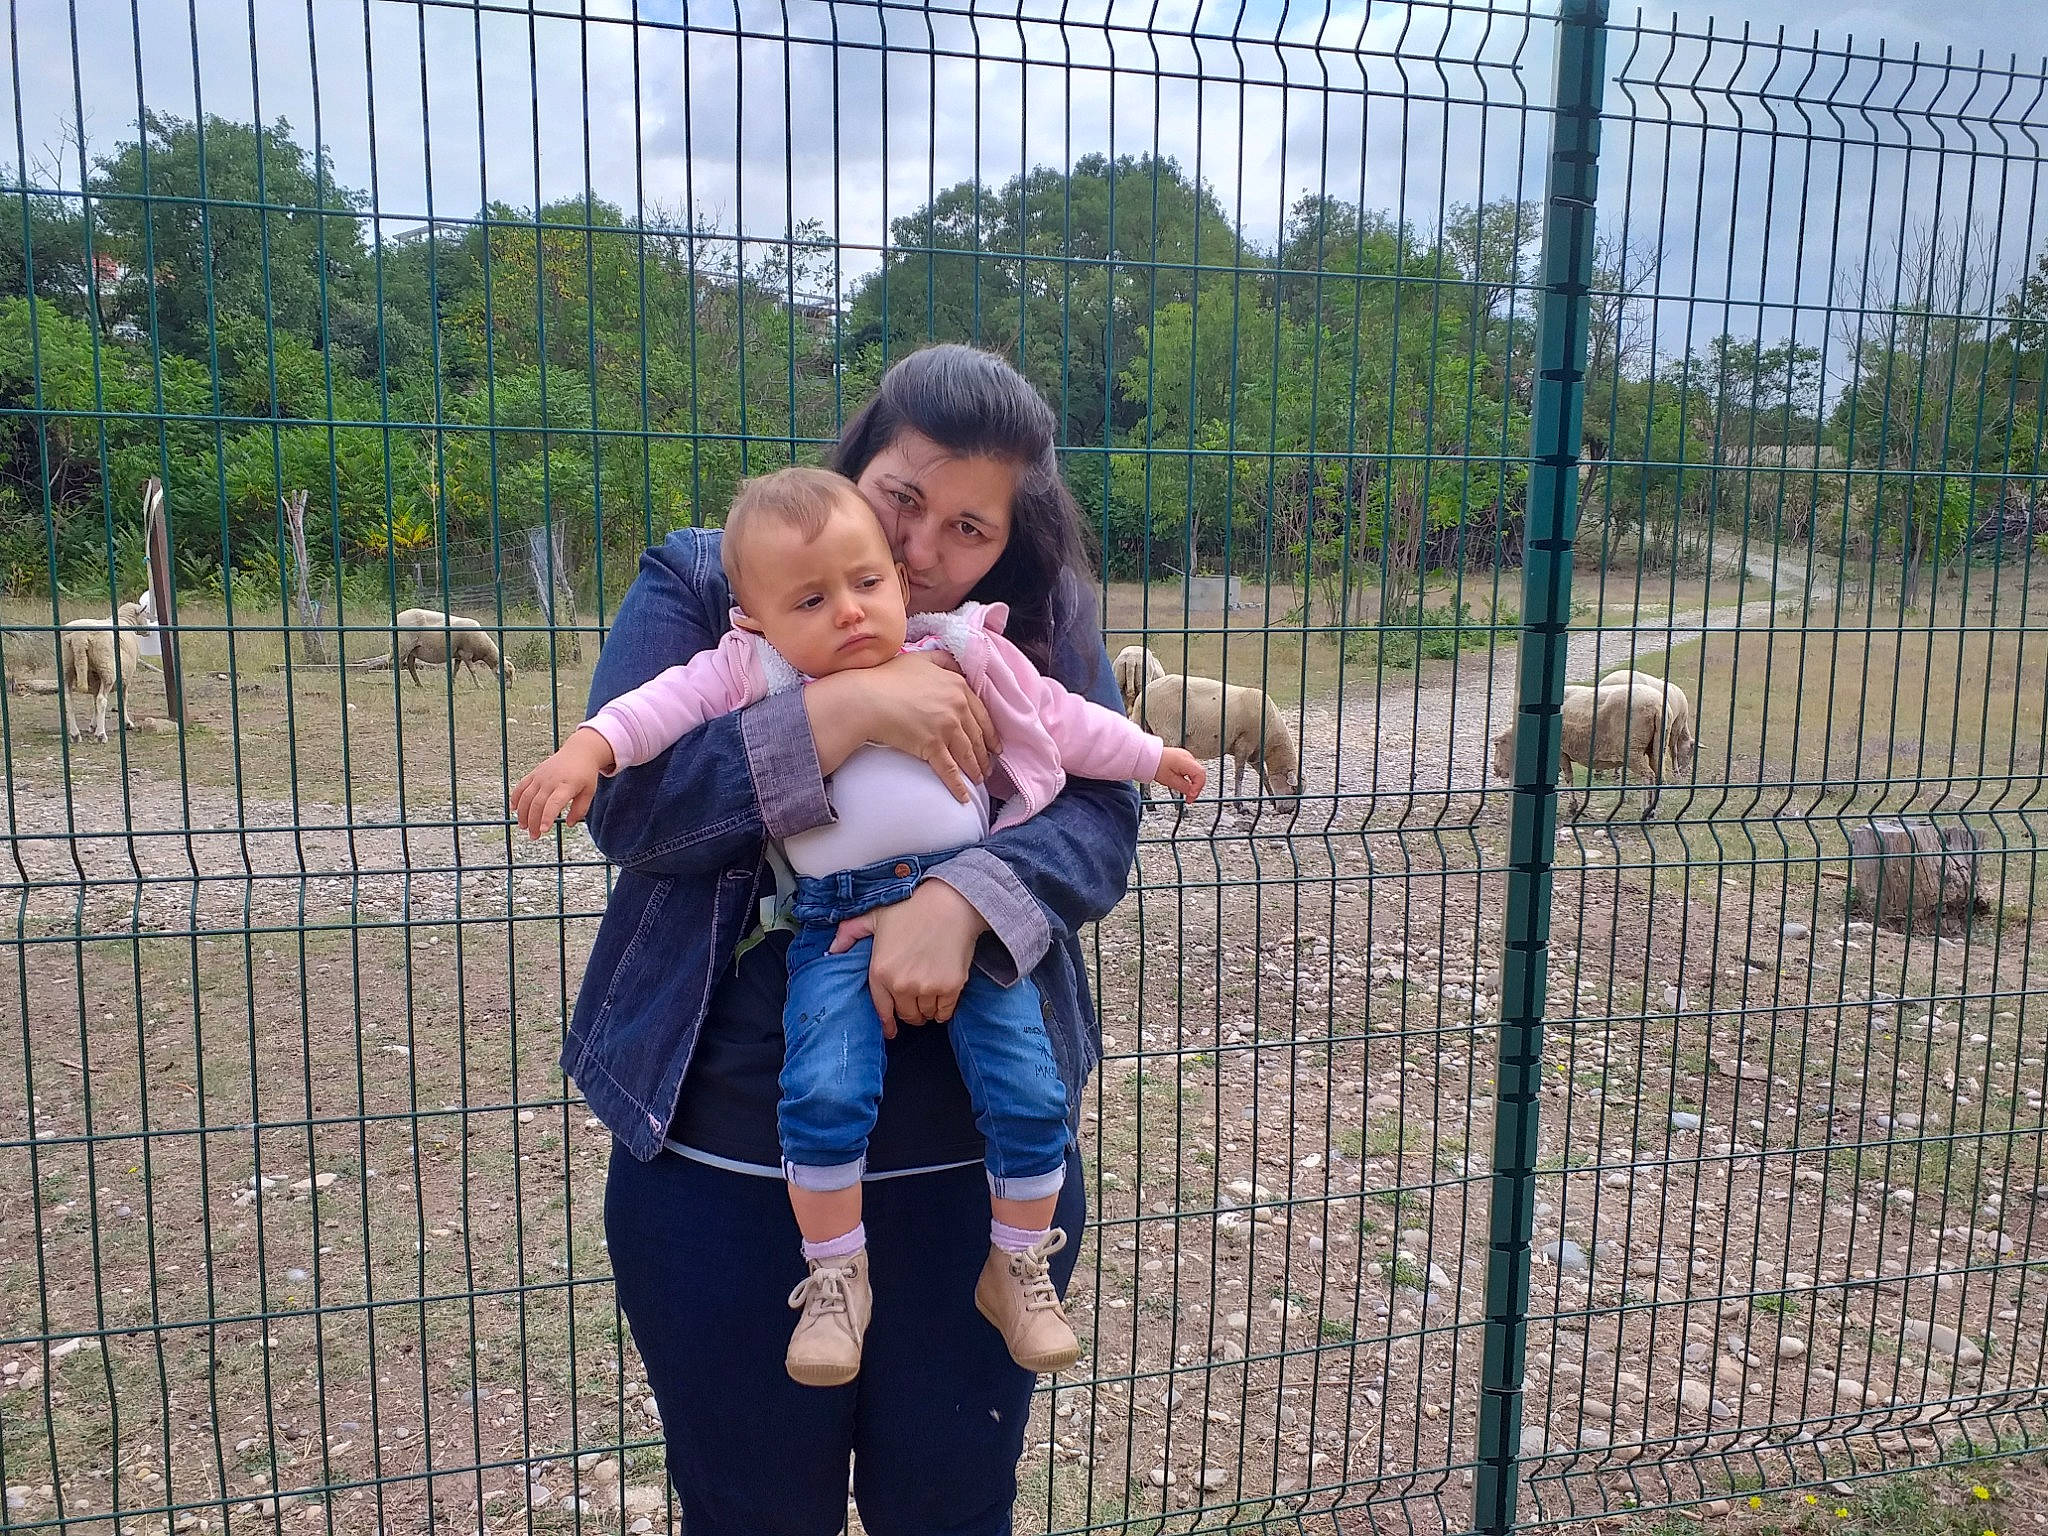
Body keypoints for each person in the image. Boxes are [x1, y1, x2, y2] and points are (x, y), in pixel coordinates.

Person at [561, 344, 1144, 1534]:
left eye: (969, 530)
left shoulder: (1027, 622)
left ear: (1008, 535)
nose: (925, 553)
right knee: (749, 1514)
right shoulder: (702, 580)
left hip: (972, 1178)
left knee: (950, 1510)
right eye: (903, 500)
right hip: (720, 1170)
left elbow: (1100, 817)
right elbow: (629, 807)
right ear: (860, 455)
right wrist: (839, 710)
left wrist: (967, 899)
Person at [516, 465, 1201, 1387]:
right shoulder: (754, 666)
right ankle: (836, 1279)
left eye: (866, 583)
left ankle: (1019, 1266)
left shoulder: (961, 648)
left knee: (1031, 1093)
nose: (848, 611)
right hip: (832, 925)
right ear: (753, 618)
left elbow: (1067, 726)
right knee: (826, 1092)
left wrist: (1154, 754)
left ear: (895, 576)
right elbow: (657, 712)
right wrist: (588, 748)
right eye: (811, 598)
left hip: (972, 917)